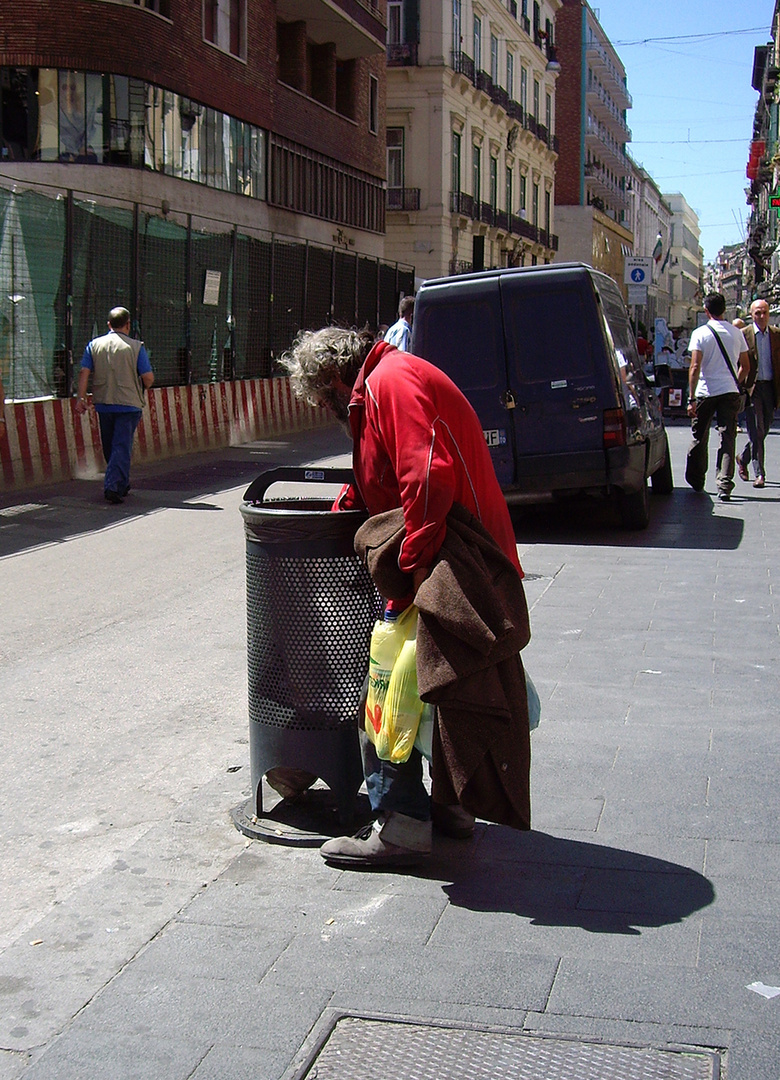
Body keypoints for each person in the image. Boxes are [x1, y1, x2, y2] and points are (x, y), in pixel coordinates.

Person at [280, 327, 531, 869]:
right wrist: (349, 503)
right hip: (460, 551)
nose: (325, 408)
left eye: (322, 397)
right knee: (437, 683)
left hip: (451, 556)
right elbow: (385, 471)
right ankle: (450, 807)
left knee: (388, 685)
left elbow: (426, 475)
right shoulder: (386, 382)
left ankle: (401, 825)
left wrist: (412, 571)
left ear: (331, 376)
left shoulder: (389, 383)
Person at [75, 308, 154, 504]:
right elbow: (148, 377)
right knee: (121, 445)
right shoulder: (136, 347)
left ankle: (121, 483)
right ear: (128, 324)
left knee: (111, 446)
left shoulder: (94, 345)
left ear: (109, 324)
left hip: (104, 403)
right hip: (129, 404)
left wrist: (81, 398)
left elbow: (84, 372)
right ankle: (112, 486)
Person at [685, 293, 749, 502]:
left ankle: (696, 478)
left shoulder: (700, 333)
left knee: (699, 436)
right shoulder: (736, 333)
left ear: (706, 311)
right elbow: (745, 366)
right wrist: (735, 383)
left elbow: (695, 367)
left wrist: (691, 397)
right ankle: (724, 484)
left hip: (706, 390)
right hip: (729, 391)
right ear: (725, 310)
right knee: (728, 437)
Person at [736, 299, 780, 488]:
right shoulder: (743, 335)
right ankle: (760, 473)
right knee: (756, 431)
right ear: (751, 315)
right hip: (752, 388)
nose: (761, 316)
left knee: (765, 427)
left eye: (764, 313)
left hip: (771, 387)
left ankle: (743, 457)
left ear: (769, 314)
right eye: (757, 313)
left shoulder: (777, 334)